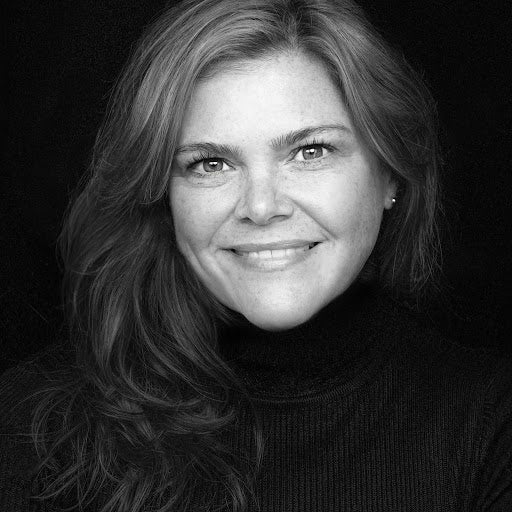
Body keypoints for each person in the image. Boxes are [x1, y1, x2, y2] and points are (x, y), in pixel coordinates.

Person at [1, 0, 511, 510]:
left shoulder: (489, 426)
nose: (261, 207)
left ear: (391, 174)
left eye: (310, 151)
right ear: (164, 196)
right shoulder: (33, 427)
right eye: (211, 163)